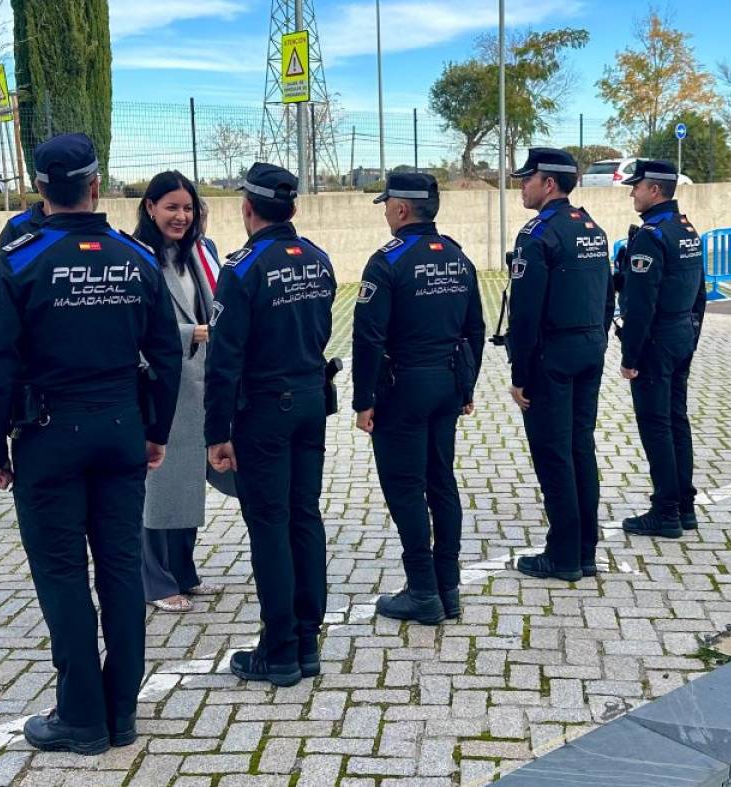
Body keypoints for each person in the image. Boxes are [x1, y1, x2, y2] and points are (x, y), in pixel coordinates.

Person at [0, 132, 182, 755]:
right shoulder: (134, 257)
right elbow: (165, 353)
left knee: (62, 576)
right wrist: (155, 431)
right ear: (96, 184)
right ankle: (122, 712)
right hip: (120, 434)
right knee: (119, 571)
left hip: (49, 438)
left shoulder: (20, 259)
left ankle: (82, 718)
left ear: (39, 188)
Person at [204, 162, 335, 687]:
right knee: (305, 516)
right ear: (294, 208)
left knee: (270, 526)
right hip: (310, 402)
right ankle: (307, 640)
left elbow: (223, 361)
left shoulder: (241, 269)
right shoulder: (319, 260)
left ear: (248, 209)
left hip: (264, 411)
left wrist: (217, 434)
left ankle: (278, 650)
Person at [352, 172, 485, 625]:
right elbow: (475, 329)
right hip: (447, 384)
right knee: (441, 482)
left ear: (402, 209)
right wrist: (467, 386)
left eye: (388, 204)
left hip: (402, 390)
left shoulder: (386, 261)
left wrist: (363, 400)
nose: (387, 211)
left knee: (406, 489)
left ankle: (423, 592)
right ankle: (448, 588)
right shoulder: (456, 256)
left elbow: (368, 338)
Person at [503, 147, 614, 582]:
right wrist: (599, 338)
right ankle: (585, 549)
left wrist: (519, 375)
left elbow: (525, 315)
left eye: (526, 179)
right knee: (579, 447)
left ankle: (563, 556)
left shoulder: (537, 235)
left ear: (548, 183)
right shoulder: (592, 228)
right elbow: (608, 296)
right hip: (589, 348)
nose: (521, 186)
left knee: (554, 455)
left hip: (553, 357)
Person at [134, 172, 218, 613]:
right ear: (150, 208)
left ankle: (183, 570)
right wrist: (191, 332)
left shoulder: (194, 256)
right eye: (171, 207)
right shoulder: (139, 258)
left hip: (197, 383)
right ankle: (155, 579)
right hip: (160, 388)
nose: (181, 216)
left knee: (187, 484)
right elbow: (137, 326)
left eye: (187, 208)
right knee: (158, 487)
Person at [615, 159, 705, 539]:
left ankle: (665, 511)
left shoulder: (651, 236)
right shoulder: (686, 229)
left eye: (636, 186)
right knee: (676, 419)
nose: (632, 192)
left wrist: (630, 357)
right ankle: (685, 505)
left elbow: (640, 304)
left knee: (656, 427)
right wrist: (691, 335)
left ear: (654, 190)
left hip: (656, 341)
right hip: (682, 333)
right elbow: (700, 292)